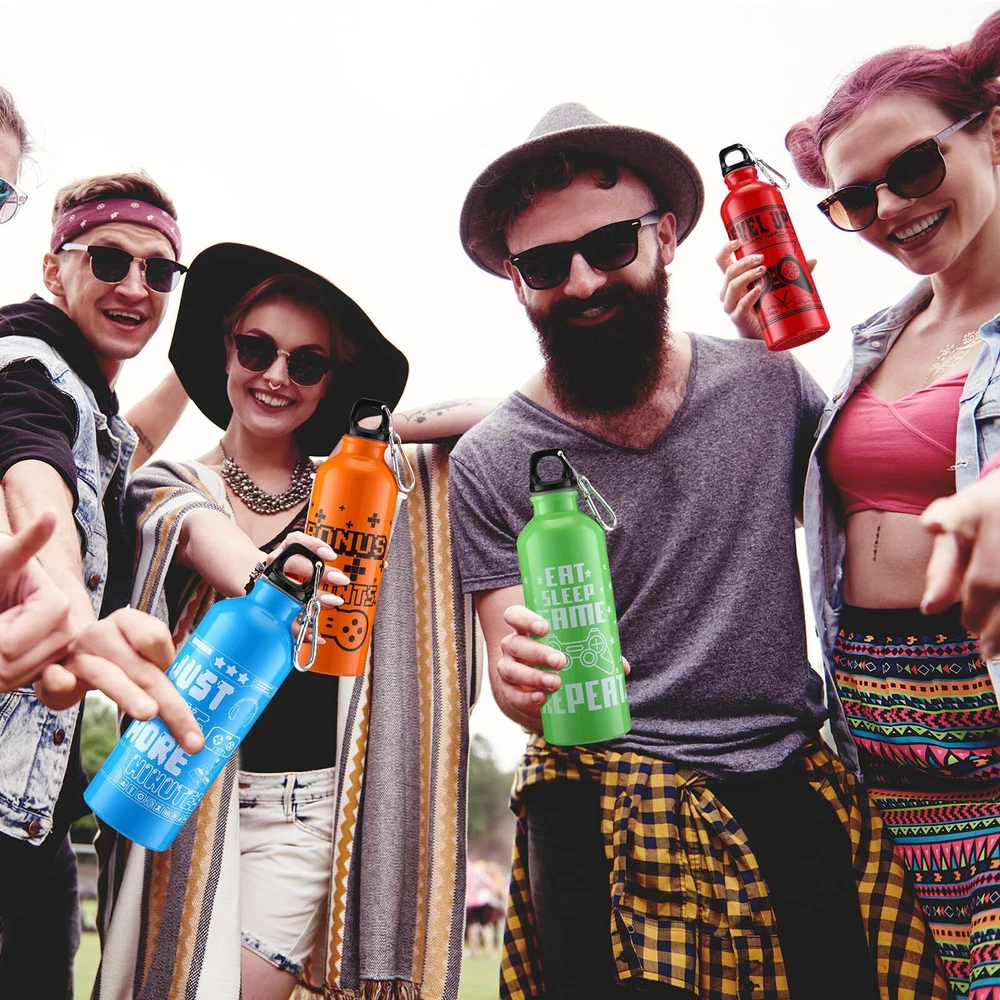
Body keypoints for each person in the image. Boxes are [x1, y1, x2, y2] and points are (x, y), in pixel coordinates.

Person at [450, 102, 948, 1000]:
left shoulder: (769, 385)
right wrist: (520, 677)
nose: (583, 282)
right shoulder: (490, 461)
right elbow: (512, 663)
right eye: (545, 264)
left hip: (787, 779)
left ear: (667, 237)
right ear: (516, 284)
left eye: (610, 245)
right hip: (597, 795)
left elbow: (880, 498)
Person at [95, 243, 479, 1000]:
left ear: (331, 382)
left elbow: (505, 414)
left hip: (305, 812)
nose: (277, 375)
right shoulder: (168, 485)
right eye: (257, 349)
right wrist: (266, 577)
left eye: (308, 364)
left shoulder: (361, 490)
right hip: (177, 795)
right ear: (226, 350)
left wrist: (373, 425)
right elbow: (198, 532)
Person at [718, 12, 1000, 997]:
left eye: (914, 167)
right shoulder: (880, 336)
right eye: (853, 198)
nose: (888, 208)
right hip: (878, 743)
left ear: (992, 131)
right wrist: (754, 362)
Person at [0, 165, 202, 999]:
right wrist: (70, 611)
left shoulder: (87, 397)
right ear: (55, 269)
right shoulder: (24, 361)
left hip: (33, 809)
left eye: (160, 271)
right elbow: (30, 467)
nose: (137, 286)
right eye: (110, 261)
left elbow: (124, 446)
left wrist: (200, 359)